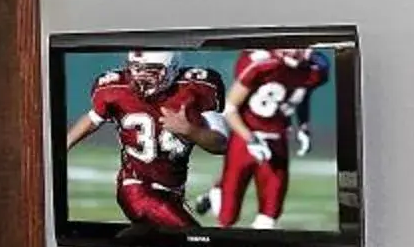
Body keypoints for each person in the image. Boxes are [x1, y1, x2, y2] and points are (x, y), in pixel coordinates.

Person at [64, 52, 226, 231]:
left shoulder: (197, 88)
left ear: (171, 70)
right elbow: (93, 118)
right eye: (135, 69)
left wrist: (189, 130)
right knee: (193, 237)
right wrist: (64, 144)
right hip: (136, 189)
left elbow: (222, 144)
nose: (140, 77)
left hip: (173, 191)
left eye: (150, 71)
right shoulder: (115, 88)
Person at [205, 45, 329, 229]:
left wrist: (304, 126)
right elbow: (230, 108)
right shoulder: (260, 64)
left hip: (278, 140)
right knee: (227, 217)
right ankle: (218, 189)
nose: (295, 51)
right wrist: (250, 139)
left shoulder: (315, 69)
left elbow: (302, 94)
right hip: (245, 138)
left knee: (270, 215)